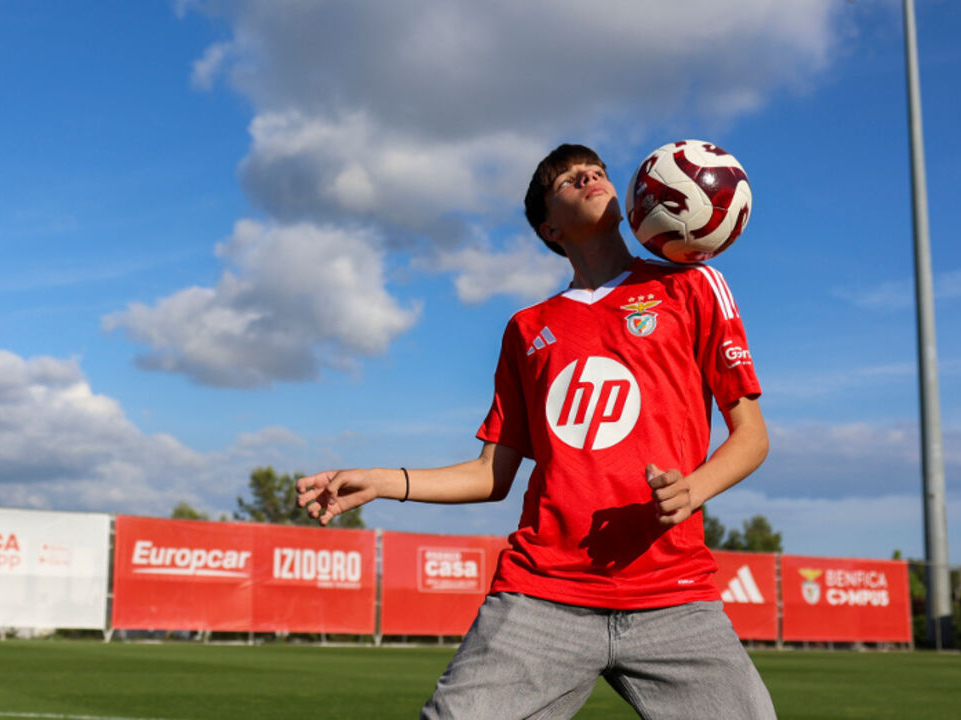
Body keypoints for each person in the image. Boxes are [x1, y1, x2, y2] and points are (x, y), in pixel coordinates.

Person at [296, 143, 776, 719]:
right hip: (542, 593)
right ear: (550, 229)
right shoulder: (528, 329)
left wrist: (692, 489)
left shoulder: (694, 287)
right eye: (570, 180)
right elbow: (490, 475)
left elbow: (751, 436)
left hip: (672, 593)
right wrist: (380, 480)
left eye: (596, 170)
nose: (590, 177)